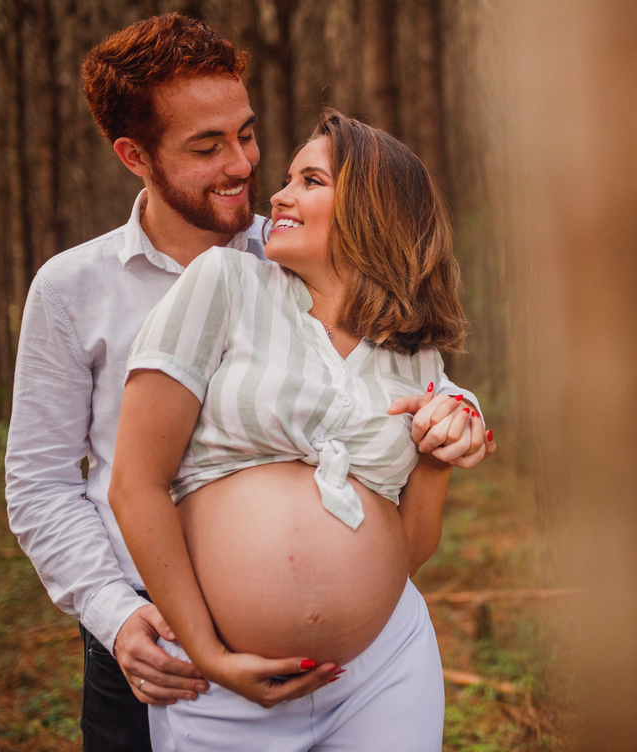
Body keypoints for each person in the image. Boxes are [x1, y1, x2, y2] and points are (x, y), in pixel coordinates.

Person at [4, 14, 491, 752]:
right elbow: (39, 483)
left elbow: (400, 375)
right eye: (206, 146)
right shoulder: (73, 288)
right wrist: (114, 615)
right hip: (153, 638)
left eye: (246, 133)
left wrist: (461, 412)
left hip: (366, 663)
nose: (243, 167)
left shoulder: (295, 251)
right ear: (135, 154)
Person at [109, 109, 470, 750]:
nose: (277, 194)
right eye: (287, 178)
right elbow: (135, 487)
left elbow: (408, 548)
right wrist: (209, 655)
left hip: (384, 668)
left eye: (310, 180)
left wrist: (437, 457)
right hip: (221, 678)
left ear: (373, 208)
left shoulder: (416, 355)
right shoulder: (225, 282)